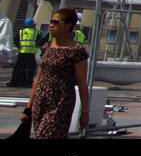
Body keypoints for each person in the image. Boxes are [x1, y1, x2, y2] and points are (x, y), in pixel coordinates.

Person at [21, 8, 90, 139]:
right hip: (41, 101)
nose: (51, 25)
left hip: (60, 102)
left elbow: (82, 83)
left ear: (68, 25)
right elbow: (38, 79)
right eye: (51, 22)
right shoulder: (47, 47)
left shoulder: (76, 50)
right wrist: (28, 107)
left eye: (56, 22)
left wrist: (85, 112)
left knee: (46, 135)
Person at [8, 17, 39, 88]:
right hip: (31, 54)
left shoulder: (20, 32)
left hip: (22, 53)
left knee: (19, 69)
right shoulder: (36, 33)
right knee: (30, 70)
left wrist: (19, 47)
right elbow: (39, 42)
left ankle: (16, 82)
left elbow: (16, 41)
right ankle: (28, 83)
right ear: (33, 25)